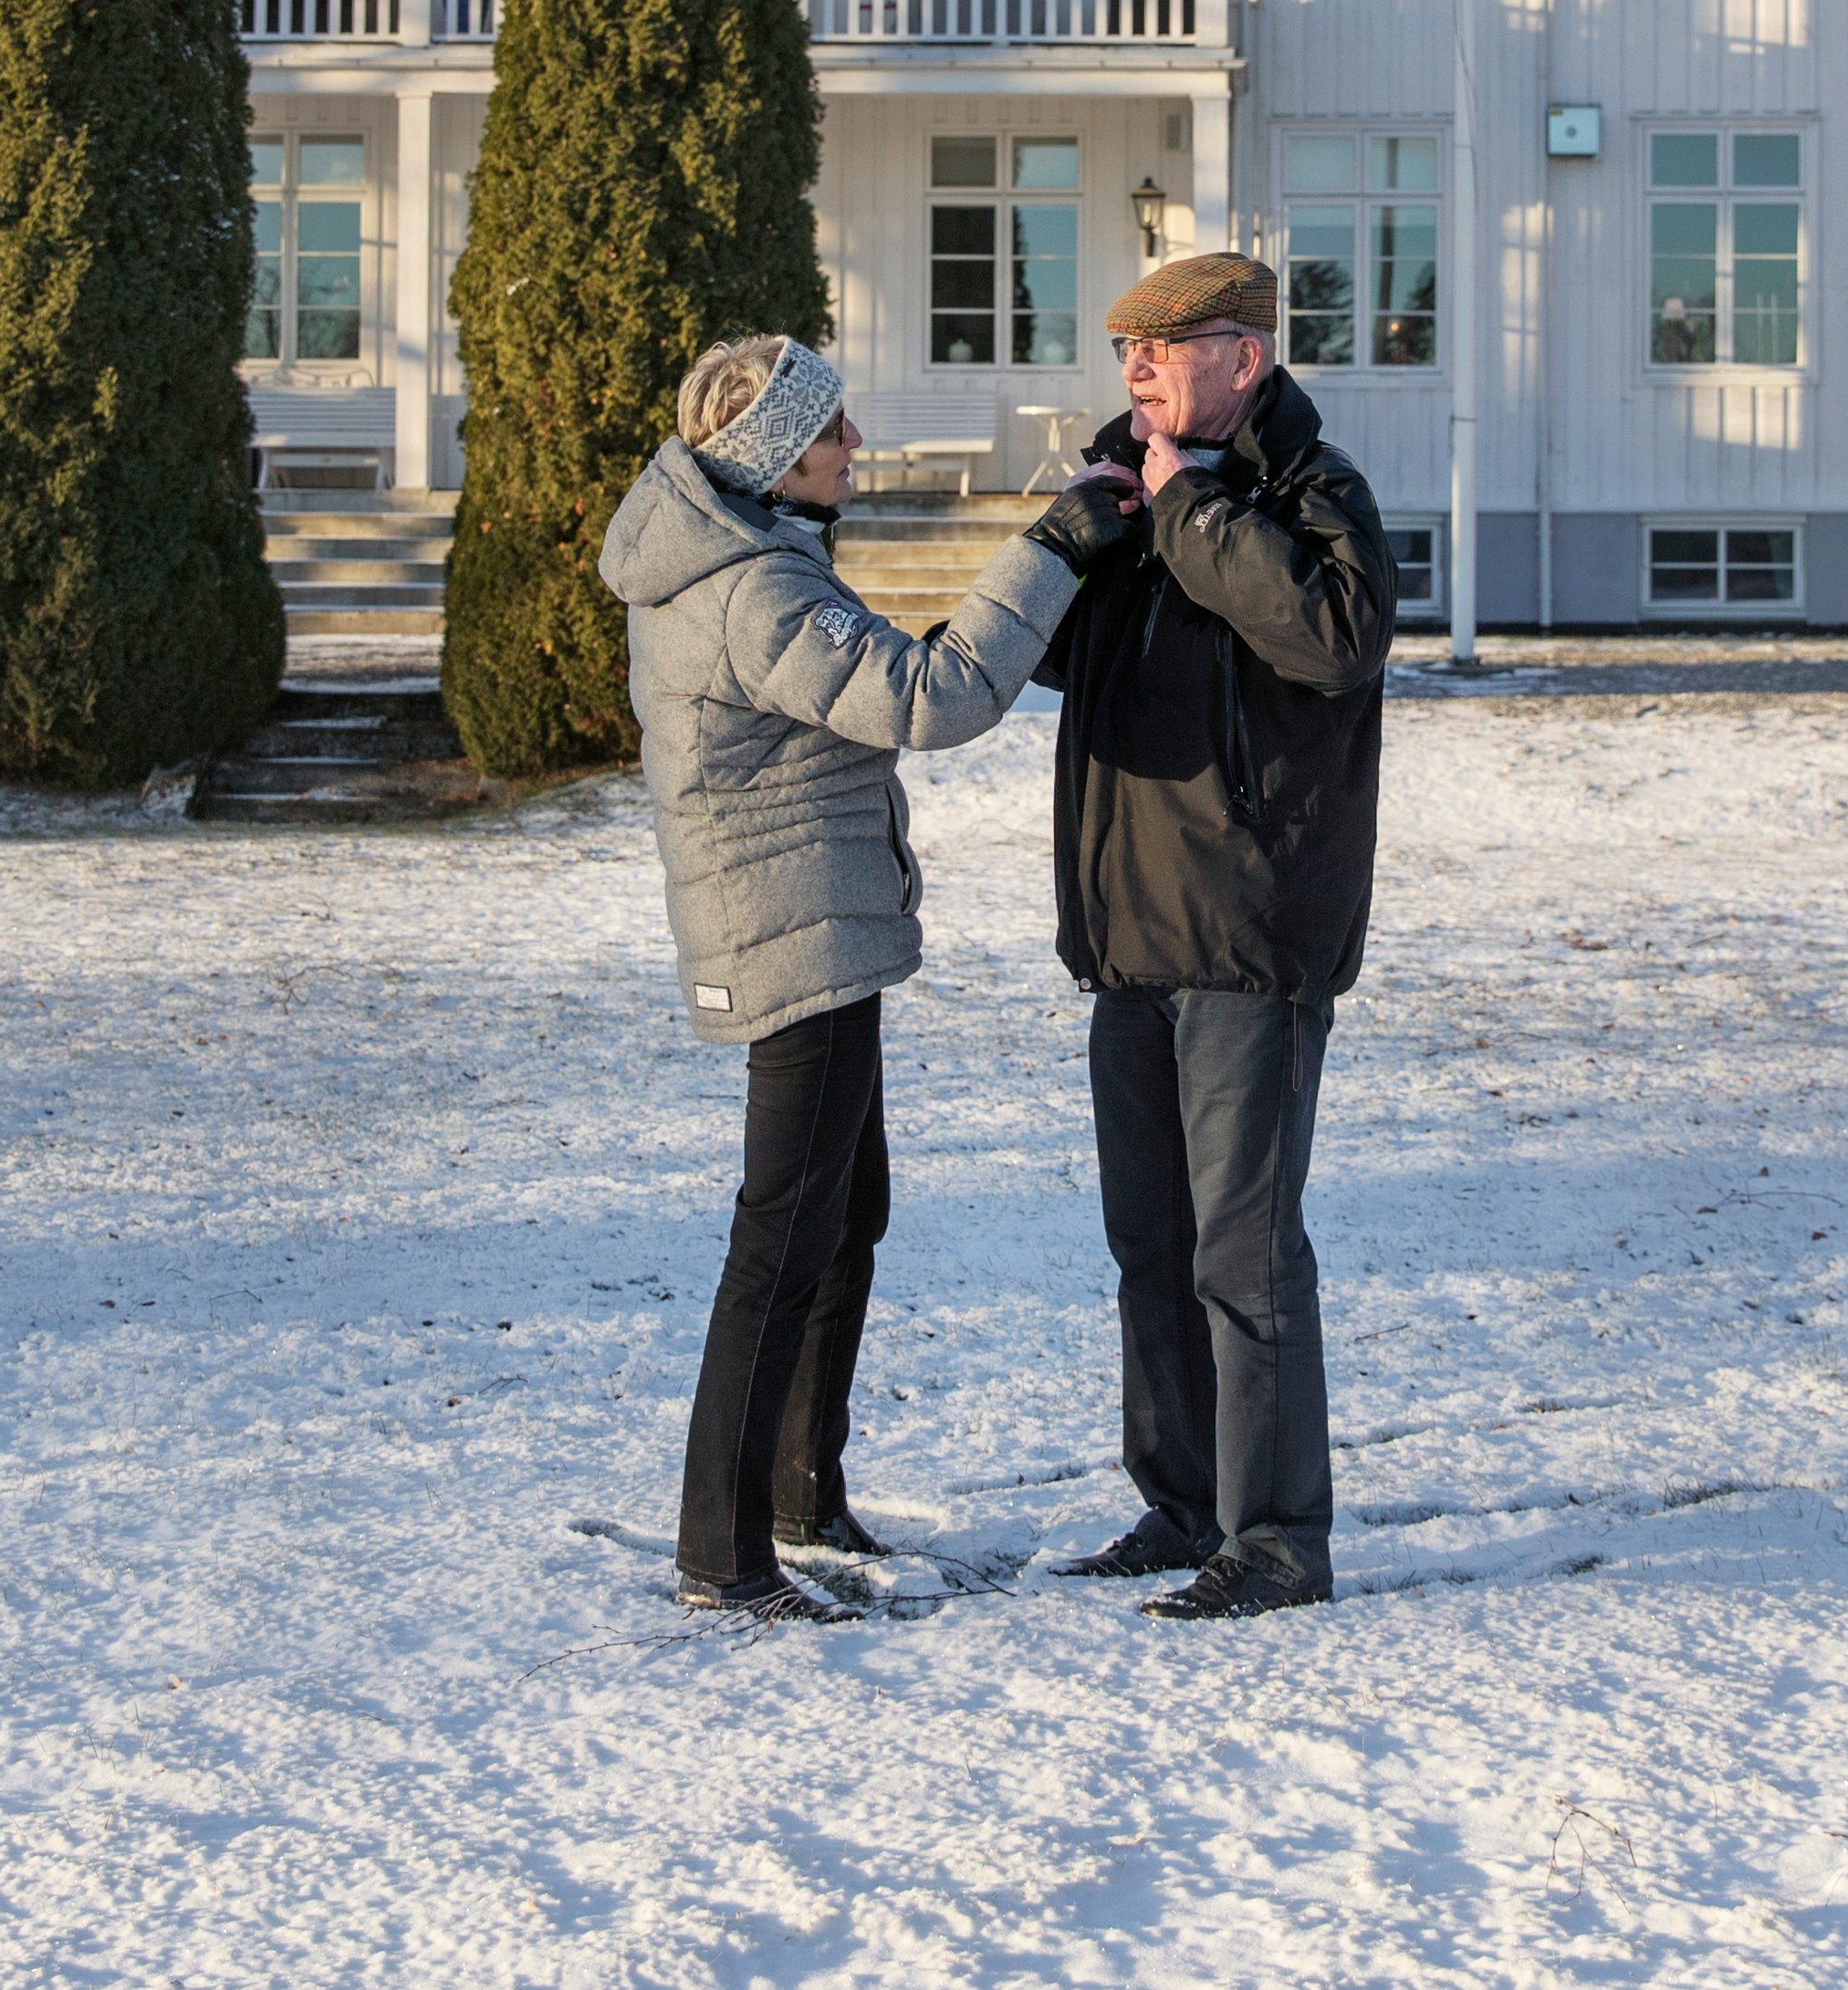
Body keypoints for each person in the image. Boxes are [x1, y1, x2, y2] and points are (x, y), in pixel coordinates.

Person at [598, 331, 1136, 1623]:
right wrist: (1051, 546)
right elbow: (934, 694)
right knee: (782, 1243)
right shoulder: (753, 593)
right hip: (796, 946)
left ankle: (799, 1490)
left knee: (845, 1216)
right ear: (776, 456)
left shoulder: (754, 561)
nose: (857, 449)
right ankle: (723, 1554)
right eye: (835, 431)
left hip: (812, 932)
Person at [1035, 253, 1401, 1620]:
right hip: (1129, 934)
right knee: (1151, 1243)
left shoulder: (1316, 497)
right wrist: (1083, 535)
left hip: (1250, 934)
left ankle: (1277, 1539)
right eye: (1124, 348)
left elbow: (1329, 635)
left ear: (1243, 359)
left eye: (1164, 349)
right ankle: (1181, 1500)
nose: (1134, 368)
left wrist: (1187, 501)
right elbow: (1063, 661)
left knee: (1243, 1253)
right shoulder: (1132, 491)